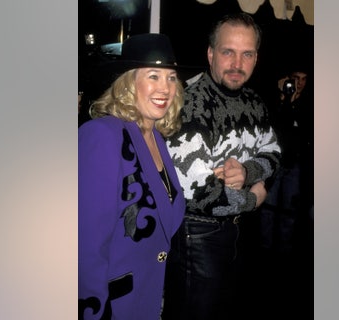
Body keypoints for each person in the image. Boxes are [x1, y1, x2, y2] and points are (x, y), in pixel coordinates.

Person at [162, 13, 281, 320]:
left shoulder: (254, 101)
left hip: (239, 233)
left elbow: (274, 151)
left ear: (257, 57)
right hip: (198, 236)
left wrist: (247, 172)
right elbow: (201, 194)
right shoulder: (188, 102)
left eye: (247, 54)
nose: (237, 64)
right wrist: (254, 198)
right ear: (211, 54)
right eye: (228, 52)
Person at [78, 33, 186, 320]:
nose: (165, 88)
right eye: (153, 76)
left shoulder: (157, 139)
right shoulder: (102, 135)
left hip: (150, 300)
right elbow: (85, 245)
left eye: (171, 77)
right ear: (128, 83)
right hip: (112, 307)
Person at [261, 63, 313, 255]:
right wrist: (283, 98)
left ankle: (284, 250)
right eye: (296, 78)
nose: (299, 83)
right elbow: (274, 125)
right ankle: (265, 248)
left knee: (289, 209)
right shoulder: (279, 100)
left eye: (303, 79)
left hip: (296, 163)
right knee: (269, 207)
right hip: (276, 162)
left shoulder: (309, 103)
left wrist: (291, 102)